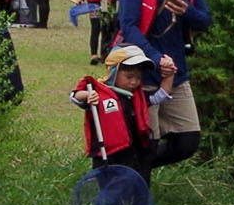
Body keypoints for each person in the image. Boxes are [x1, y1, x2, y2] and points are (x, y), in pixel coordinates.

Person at [114, 0, 211, 175]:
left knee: (187, 140)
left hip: (177, 71)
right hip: (142, 73)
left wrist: (186, 11)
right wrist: (155, 59)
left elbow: (205, 19)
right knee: (147, 142)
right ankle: (134, 202)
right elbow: (128, 26)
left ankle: (124, 168)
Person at [70, 43, 169, 181]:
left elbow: (161, 95)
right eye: (129, 77)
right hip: (105, 154)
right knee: (107, 185)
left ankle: (127, 202)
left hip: (129, 151)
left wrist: (170, 75)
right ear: (113, 72)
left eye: (138, 78)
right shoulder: (99, 92)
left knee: (127, 183)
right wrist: (87, 96)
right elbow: (75, 96)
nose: (134, 82)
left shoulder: (137, 97)